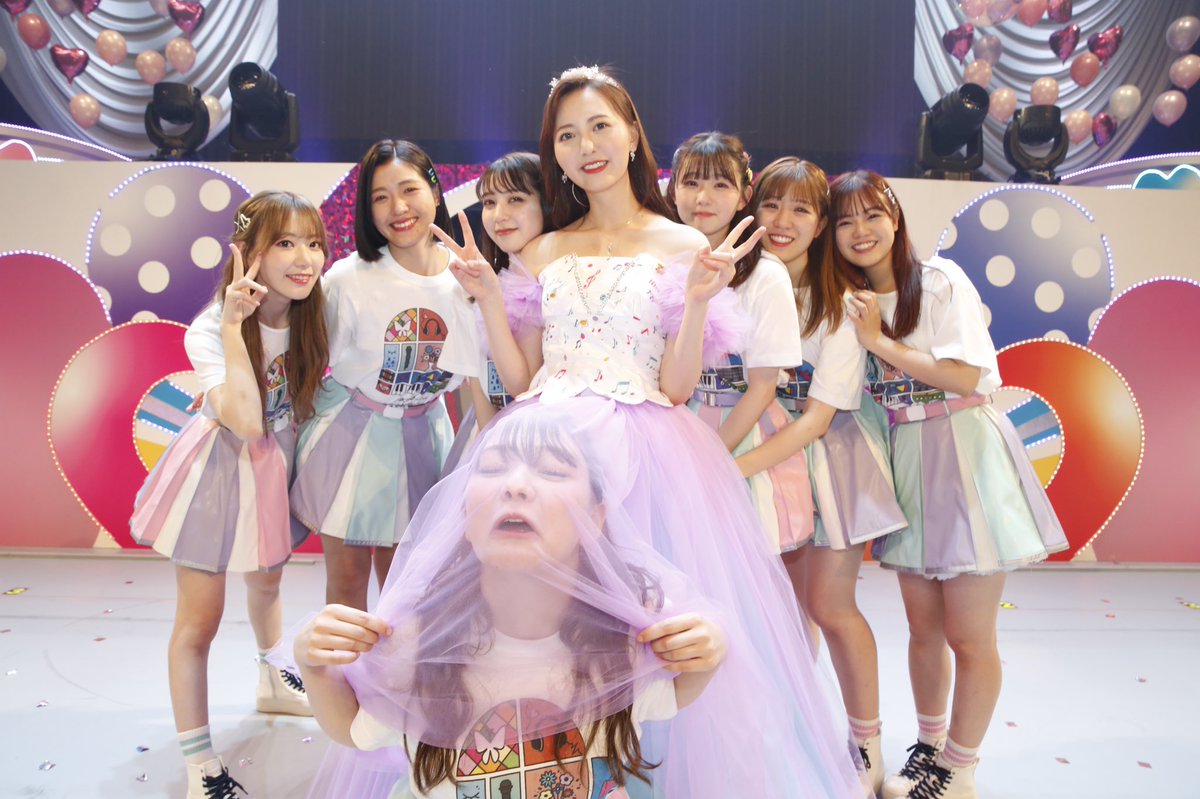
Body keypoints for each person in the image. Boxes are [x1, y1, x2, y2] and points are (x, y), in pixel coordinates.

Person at [429, 65, 863, 796]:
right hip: (548, 446)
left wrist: (697, 301)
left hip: (643, 451)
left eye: (600, 127)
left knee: (648, 627)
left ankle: (642, 774)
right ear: (555, 153)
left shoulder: (681, 243)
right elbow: (522, 378)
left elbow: (677, 387)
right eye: (567, 136)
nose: (585, 147)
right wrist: (488, 300)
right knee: (554, 620)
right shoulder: (543, 249)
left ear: (632, 134)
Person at [295, 409, 727, 798]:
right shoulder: (420, 634)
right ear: (464, 515)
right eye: (492, 468)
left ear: (595, 518)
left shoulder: (624, 631)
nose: (515, 485)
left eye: (552, 471)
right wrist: (313, 668)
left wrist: (707, 653)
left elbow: (671, 693)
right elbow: (355, 728)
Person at [835, 170, 1067, 799]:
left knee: (969, 634)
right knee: (924, 631)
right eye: (845, 221)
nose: (860, 231)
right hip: (908, 462)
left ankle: (960, 768)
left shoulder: (939, 279)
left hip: (965, 452)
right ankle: (930, 750)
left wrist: (877, 342)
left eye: (872, 215)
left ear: (895, 217)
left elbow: (964, 377)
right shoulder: (852, 301)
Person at [131, 190, 329, 798]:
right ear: (246, 252)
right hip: (215, 475)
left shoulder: (312, 315)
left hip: (272, 467)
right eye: (285, 243)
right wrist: (234, 327)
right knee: (199, 622)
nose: (305, 259)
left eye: (314, 243)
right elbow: (244, 421)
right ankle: (200, 765)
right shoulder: (210, 329)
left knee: (267, 583)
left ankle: (273, 679)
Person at [732, 158, 909, 794]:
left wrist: (724, 472)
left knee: (829, 606)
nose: (783, 221)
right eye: (771, 205)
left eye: (801, 209)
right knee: (780, 612)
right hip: (768, 465)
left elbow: (817, 419)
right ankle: (791, 726)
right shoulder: (738, 286)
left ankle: (866, 747)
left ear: (821, 222)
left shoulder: (841, 306)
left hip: (828, 461)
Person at [289, 140, 480, 611]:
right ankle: (342, 665)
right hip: (351, 434)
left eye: (409, 189)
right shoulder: (348, 278)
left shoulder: (468, 278)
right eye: (380, 197)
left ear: (434, 190)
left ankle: (392, 665)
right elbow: (306, 358)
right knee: (348, 581)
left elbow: (474, 377)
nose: (398, 208)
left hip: (426, 438)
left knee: (407, 587)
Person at [667, 133, 811, 552]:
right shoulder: (661, 265)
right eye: (691, 182)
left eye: (720, 184)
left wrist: (710, 458)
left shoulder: (766, 275)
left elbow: (763, 387)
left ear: (745, 196)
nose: (703, 197)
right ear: (672, 190)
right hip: (674, 432)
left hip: (743, 435)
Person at [466, 151, 552, 428]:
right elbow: (481, 387)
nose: (499, 215)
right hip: (491, 438)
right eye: (489, 202)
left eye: (515, 199)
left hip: (546, 438)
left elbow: (524, 387)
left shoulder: (559, 287)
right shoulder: (485, 282)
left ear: (547, 203)